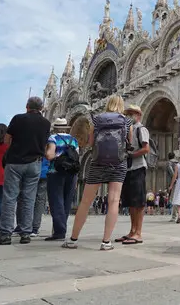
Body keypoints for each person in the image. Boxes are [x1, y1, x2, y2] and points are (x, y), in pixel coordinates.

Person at [64, 96, 130, 250]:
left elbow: (91, 142)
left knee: (85, 201)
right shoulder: (126, 121)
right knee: (113, 201)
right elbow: (128, 143)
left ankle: (73, 239)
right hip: (119, 163)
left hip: (97, 162)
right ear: (121, 105)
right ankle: (106, 242)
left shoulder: (96, 119)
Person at [0, 97, 51, 245]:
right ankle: (26, 233)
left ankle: (5, 234)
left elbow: (7, 140)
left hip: (15, 162)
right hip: (35, 164)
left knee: (10, 197)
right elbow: (45, 143)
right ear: (42, 108)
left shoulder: (18, 119)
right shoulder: (46, 123)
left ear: (27, 106)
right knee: (29, 199)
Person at [113, 104, 149, 246]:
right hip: (128, 169)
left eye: (132, 114)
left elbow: (146, 149)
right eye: (127, 114)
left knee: (138, 203)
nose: (129, 116)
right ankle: (132, 230)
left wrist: (131, 155)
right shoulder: (127, 130)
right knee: (131, 203)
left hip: (138, 167)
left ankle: (138, 233)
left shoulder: (142, 129)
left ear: (138, 115)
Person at [44, 118, 79, 242]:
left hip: (56, 172)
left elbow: (50, 155)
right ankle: (61, 229)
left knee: (56, 201)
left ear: (56, 128)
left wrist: (51, 155)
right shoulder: (73, 140)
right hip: (72, 174)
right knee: (66, 202)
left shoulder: (53, 138)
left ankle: (59, 232)